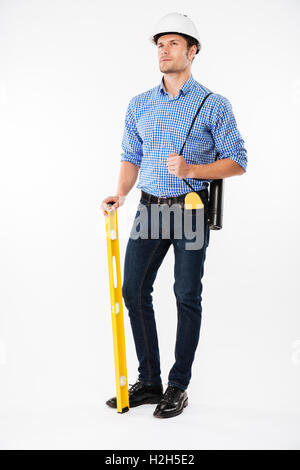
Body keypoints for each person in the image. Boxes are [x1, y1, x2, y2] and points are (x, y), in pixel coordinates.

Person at [101, 12, 247, 419]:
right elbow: (132, 156)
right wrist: (121, 194)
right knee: (133, 290)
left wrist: (192, 170)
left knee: (186, 295)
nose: (164, 51)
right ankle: (149, 381)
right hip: (148, 208)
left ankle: (177, 385)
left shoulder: (213, 104)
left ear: (193, 51)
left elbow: (238, 161)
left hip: (191, 210)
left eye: (173, 44)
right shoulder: (140, 104)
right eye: (159, 45)